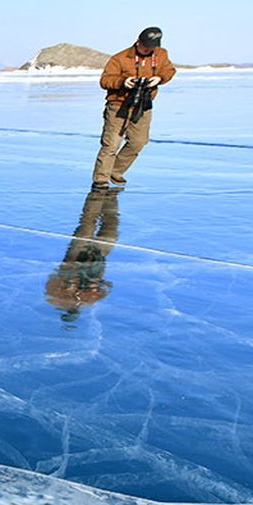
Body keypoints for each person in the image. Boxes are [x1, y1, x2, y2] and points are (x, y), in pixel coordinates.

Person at [91, 27, 175, 190]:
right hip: (118, 104)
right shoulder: (120, 58)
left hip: (144, 104)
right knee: (111, 144)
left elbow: (169, 70)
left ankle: (115, 171)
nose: (149, 50)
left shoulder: (161, 54)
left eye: (152, 47)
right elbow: (105, 81)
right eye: (146, 47)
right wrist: (123, 82)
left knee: (138, 142)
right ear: (138, 42)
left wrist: (159, 78)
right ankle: (101, 179)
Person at [45, 187, 122, 321]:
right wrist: (94, 285)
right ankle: (110, 198)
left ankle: (97, 197)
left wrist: (70, 282)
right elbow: (107, 286)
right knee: (110, 227)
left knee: (87, 227)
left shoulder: (54, 296)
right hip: (97, 260)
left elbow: (56, 275)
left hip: (76, 258)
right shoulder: (88, 300)